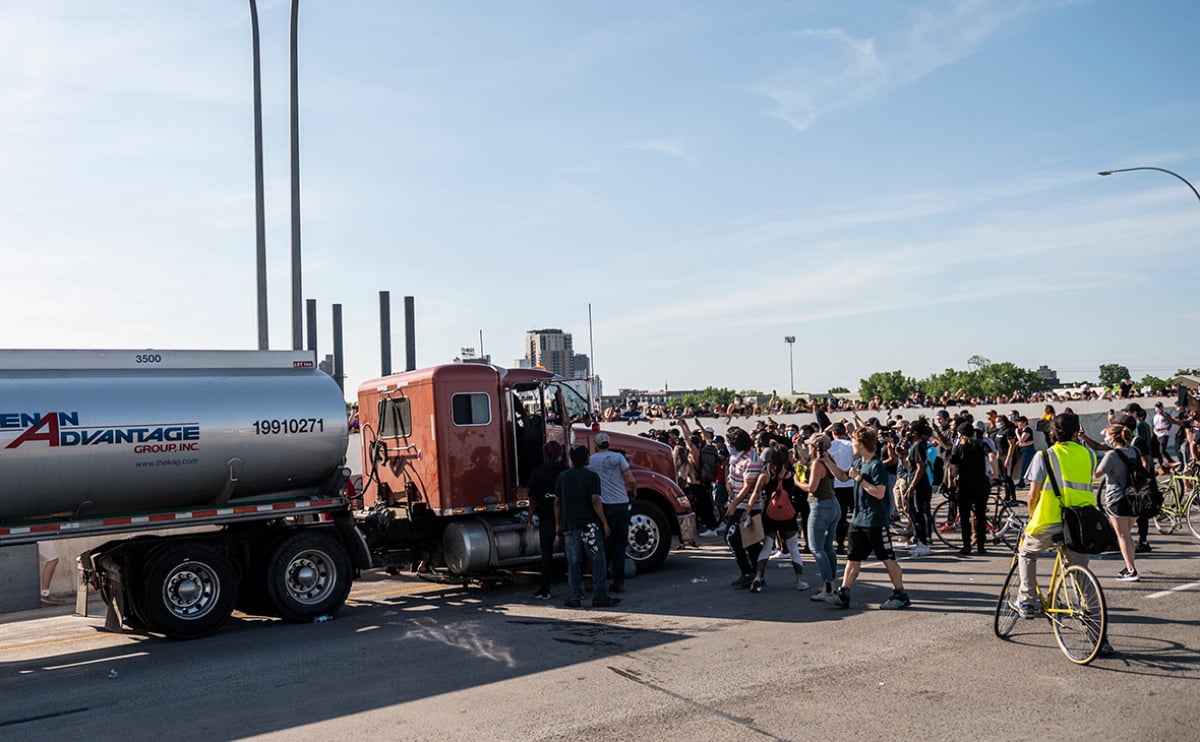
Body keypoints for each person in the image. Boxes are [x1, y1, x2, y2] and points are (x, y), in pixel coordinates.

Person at [1013, 413, 1111, 657]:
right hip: (1079, 522)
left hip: (1049, 520)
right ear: (1076, 432)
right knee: (1082, 577)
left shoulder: (1044, 456)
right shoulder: (1087, 454)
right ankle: (1100, 636)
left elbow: (1033, 496)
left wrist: (1032, 519)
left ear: (1052, 433)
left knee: (1026, 553)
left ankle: (1026, 600)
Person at [823, 427, 911, 609]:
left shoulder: (876, 466)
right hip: (858, 519)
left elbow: (879, 492)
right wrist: (826, 460)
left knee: (887, 558)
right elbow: (841, 475)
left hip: (875, 521)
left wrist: (860, 479)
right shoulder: (858, 464)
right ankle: (844, 593)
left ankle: (900, 594)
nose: (852, 446)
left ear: (861, 445)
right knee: (852, 558)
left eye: (854, 442)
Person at [554, 445, 619, 608]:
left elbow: (556, 502)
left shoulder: (562, 477)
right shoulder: (592, 477)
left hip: (570, 525)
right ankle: (600, 595)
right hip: (589, 526)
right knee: (597, 559)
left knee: (573, 562)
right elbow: (595, 500)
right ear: (586, 459)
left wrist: (558, 524)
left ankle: (574, 596)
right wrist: (604, 522)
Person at [749, 444, 808, 593]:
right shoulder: (790, 474)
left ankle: (757, 576)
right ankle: (800, 580)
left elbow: (755, 493)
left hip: (769, 514)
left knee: (766, 548)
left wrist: (748, 511)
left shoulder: (765, 475)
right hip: (788, 515)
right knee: (794, 548)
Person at [587, 431, 636, 593]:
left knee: (601, 545)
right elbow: (630, 479)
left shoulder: (591, 461)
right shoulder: (618, 458)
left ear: (595, 445)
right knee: (620, 545)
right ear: (608, 443)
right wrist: (632, 493)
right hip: (622, 504)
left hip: (605, 506)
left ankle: (598, 579)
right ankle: (619, 582)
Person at [1093, 424, 1141, 581]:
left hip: (1117, 499)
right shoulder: (1134, 451)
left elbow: (1097, 474)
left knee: (1122, 536)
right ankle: (1129, 565)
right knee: (1127, 535)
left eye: (1107, 435)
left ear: (1112, 438)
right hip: (1135, 498)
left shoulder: (1112, 455)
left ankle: (1131, 570)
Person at [722, 428, 764, 589]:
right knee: (751, 542)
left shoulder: (751, 459)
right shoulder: (737, 457)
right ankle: (757, 574)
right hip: (737, 501)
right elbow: (732, 476)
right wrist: (728, 484)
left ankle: (748, 572)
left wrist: (734, 503)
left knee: (732, 537)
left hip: (746, 505)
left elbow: (749, 486)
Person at [799, 433, 839, 600]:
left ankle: (827, 586)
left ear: (814, 447)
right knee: (828, 547)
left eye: (809, 445)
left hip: (820, 505)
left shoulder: (817, 463)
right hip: (833, 503)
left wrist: (797, 481)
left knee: (817, 548)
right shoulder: (829, 460)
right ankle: (832, 584)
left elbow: (812, 487)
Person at [948, 422, 997, 555]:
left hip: (965, 484)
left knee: (964, 516)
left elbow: (953, 466)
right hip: (981, 483)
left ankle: (967, 545)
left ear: (961, 434)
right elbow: (992, 456)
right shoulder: (981, 444)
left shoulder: (958, 447)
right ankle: (981, 545)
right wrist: (995, 474)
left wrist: (951, 481)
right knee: (980, 515)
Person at [527, 440, 566, 599]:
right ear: (560, 454)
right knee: (573, 553)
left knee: (546, 554)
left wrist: (529, 518)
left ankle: (545, 588)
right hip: (567, 518)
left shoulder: (537, 474)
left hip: (546, 518)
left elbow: (533, 501)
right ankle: (576, 589)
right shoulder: (566, 472)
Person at [901, 418, 934, 557]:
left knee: (919, 514)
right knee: (915, 514)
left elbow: (921, 467)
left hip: (920, 486)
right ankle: (920, 541)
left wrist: (912, 486)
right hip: (916, 484)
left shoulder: (918, 445)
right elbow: (910, 466)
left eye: (910, 430)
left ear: (914, 432)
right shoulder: (915, 445)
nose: (907, 432)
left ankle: (923, 543)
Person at [827, 422, 855, 555]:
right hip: (851, 482)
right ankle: (859, 541)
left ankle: (840, 544)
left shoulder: (829, 447)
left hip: (836, 484)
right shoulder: (850, 445)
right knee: (857, 514)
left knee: (840, 517)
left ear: (833, 433)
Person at [39, 541, 60, 606]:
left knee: (53, 560)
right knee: (53, 560)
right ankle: (44, 594)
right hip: (40, 534)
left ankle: (45, 593)